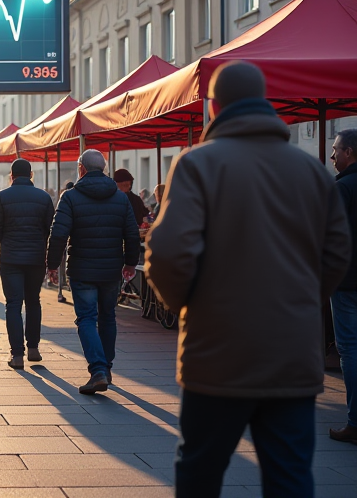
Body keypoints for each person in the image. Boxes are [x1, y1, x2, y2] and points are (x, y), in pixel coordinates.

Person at [145, 61, 350, 497]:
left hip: (216, 349)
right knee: (291, 473)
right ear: (266, 102)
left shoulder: (198, 164)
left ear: (215, 105)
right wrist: (302, 301)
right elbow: (337, 253)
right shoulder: (311, 171)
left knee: (201, 469)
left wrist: (187, 306)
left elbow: (166, 253)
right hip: (292, 348)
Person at [47, 149, 139, 395]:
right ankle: (106, 368)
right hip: (111, 269)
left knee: (87, 318)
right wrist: (130, 262)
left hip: (82, 268)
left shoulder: (70, 197)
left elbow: (58, 234)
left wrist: (51, 264)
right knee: (108, 316)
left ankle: (98, 369)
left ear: (81, 169)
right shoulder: (121, 198)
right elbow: (131, 233)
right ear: (104, 169)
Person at [0, 160, 55, 369]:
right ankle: (33, 349)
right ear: (31, 175)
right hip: (35, 258)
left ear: (11, 175)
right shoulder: (44, 197)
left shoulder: (2, 196)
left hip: (11, 258)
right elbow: (51, 227)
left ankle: (17, 355)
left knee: (13, 304)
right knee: (33, 301)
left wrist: (5, 240)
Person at [330, 129, 357, 445]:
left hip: (347, 280)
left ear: (349, 152)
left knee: (349, 349)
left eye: (336, 150)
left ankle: (354, 421)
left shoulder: (343, 188)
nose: (333, 155)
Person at [56, 181, 75, 303]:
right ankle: (64, 286)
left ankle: (60, 289)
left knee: (61, 265)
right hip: (69, 241)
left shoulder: (63, 200)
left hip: (64, 240)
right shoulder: (71, 199)